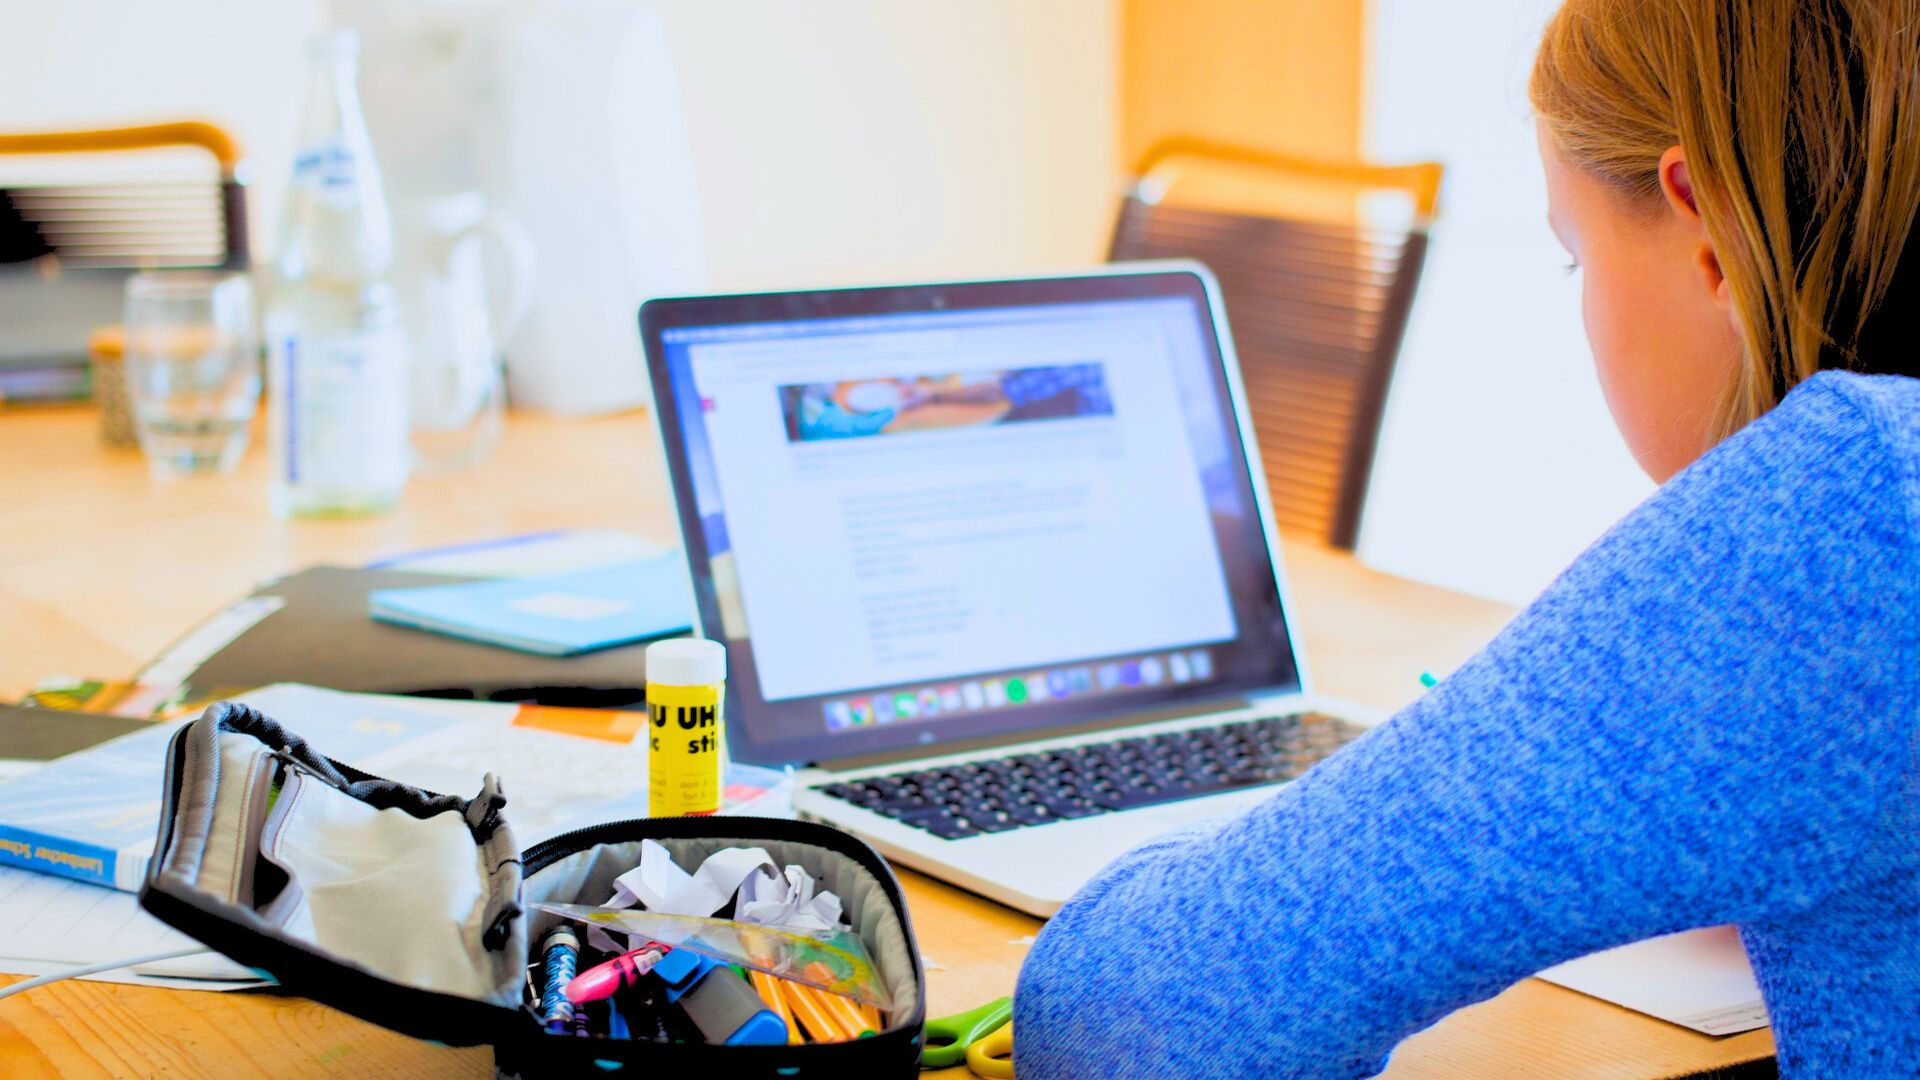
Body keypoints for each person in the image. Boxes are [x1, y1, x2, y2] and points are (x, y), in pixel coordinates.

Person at [1013, 1, 1920, 1076]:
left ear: (1708, 227)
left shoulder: (1851, 506)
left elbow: (1133, 1019)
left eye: (1573, 256)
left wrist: (1250, 856)